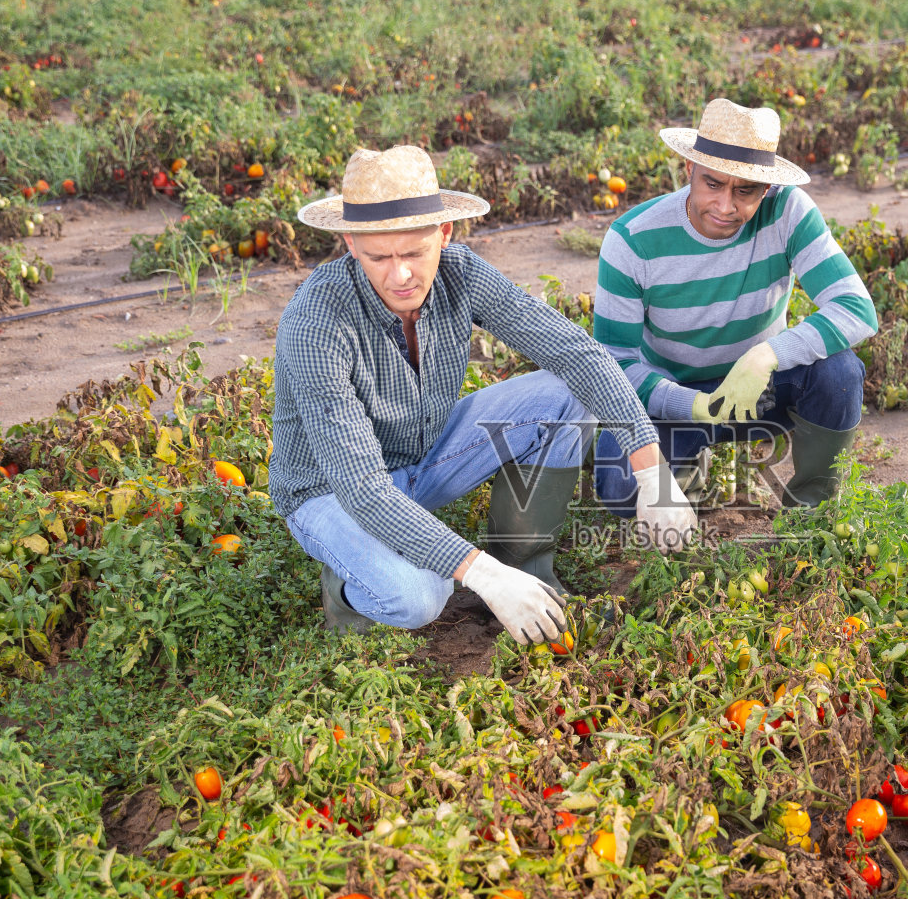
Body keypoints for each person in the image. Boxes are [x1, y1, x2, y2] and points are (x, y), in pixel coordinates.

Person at [270, 146, 696, 643]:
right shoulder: (316, 324)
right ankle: (349, 595)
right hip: (332, 491)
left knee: (565, 392)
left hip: (420, 457)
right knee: (419, 596)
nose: (400, 275)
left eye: (413, 253)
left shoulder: (461, 273)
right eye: (378, 257)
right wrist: (483, 574)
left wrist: (653, 474)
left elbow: (577, 353)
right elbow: (364, 488)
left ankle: (528, 571)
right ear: (349, 242)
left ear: (444, 234)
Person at [590, 98, 878, 512]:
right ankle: (690, 463)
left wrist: (765, 356)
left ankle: (812, 508)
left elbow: (855, 307)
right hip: (677, 398)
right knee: (620, 489)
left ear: (767, 188)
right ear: (688, 170)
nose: (726, 207)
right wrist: (691, 405)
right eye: (713, 184)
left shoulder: (787, 210)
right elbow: (614, 363)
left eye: (745, 191)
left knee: (838, 373)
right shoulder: (633, 238)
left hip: (761, 391)